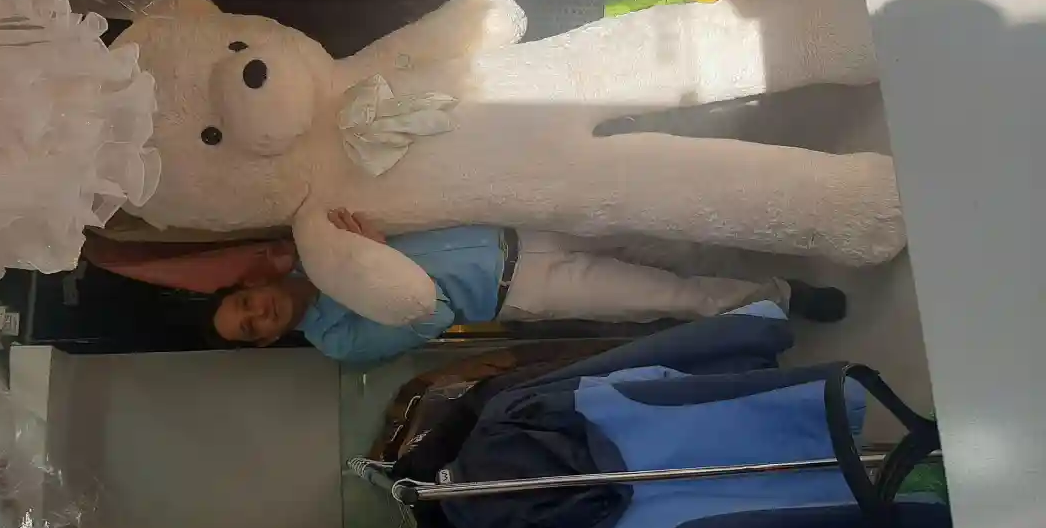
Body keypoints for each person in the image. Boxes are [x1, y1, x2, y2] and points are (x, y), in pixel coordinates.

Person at [210, 209, 847, 364]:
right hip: (525, 288)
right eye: (249, 328)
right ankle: (785, 295)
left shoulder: (313, 251)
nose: (257, 314)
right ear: (264, 341)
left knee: (666, 234)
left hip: (521, 225)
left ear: (248, 287)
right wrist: (376, 264)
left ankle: (773, 239)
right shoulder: (338, 341)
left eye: (243, 305)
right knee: (669, 298)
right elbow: (428, 316)